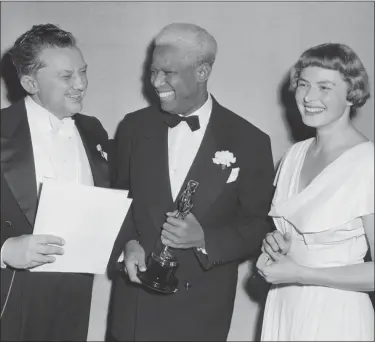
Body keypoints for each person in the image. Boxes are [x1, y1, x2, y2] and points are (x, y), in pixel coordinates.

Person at [108, 23, 274, 341]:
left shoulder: (250, 141)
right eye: (153, 71)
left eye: (168, 73)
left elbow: (259, 227)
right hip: (134, 312)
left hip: (201, 315)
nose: (156, 83)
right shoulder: (133, 127)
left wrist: (203, 238)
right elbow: (118, 201)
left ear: (202, 72)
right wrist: (127, 244)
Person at [256, 43, 374, 341]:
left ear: (352, 94)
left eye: (324, 87)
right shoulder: (294, 155)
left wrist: (301, 274)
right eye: (304, 84)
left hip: (335, 313)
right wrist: (277, 244)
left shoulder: (367, 164)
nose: (309, 97)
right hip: (285, 303)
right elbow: (293, 233)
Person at [1, 24, 110, 341]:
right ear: (30, 83)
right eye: (66, 76)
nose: (81, 84)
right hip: (9, 297)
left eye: (83, 72)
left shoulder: (94, 130)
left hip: (75, 299)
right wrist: (5, 250)